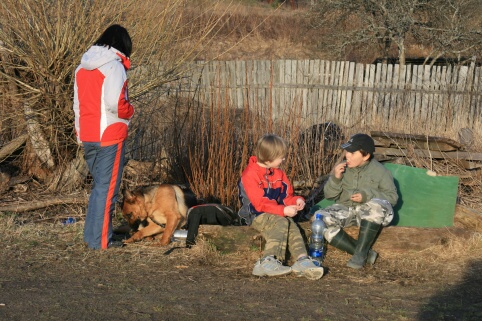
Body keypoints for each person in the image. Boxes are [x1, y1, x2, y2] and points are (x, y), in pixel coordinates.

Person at [73, 25, 134, 249]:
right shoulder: (114, 67)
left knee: (99, 188)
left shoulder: (81, 67)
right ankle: (100, 242)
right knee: (107, 191)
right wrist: (132, 111)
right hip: (110, 135)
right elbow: (115, 104)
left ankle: (92, 237)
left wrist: (80, 134)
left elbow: (77, 106)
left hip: (89, 135)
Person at [238, 134, 324, 280]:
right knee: (282, 221)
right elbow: (260, 204)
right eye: (281, 157)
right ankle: (268, 260)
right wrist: (283, 210)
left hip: (276, 213)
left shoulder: (279, 173)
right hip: (256, 214)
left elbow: (286, 197)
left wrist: (296, 200)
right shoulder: (250, 175)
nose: (283, 159)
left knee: (290, 223)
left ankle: (302, 259)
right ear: (269, 158)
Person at [313, 133, 398, 269]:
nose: (347, 155)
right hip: (346, 210)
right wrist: (335, 178)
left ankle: (358, 257)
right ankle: (364, 253)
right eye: (347, 151)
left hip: (368, 216)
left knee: (376, 206)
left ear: (366, 156)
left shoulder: (380, 172)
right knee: (319, 218)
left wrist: (367, 195)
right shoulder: (342, 169)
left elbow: (392, 197)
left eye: (352, 153)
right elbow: (329, 195)